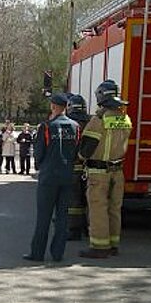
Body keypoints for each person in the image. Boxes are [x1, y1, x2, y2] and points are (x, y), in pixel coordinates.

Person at [79, 80, 132, 259]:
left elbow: (86, 149)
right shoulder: (125, 118)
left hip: (99, 173)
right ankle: (113, 244)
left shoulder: (99, 119)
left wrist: (79, 158)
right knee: (114, 208)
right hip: (118, 171)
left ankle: (99, 247)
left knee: (98, 208)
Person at [23, 93, 79, 262]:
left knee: (44, 216)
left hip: (49, 176)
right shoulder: (75, 126)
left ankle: (37, 253)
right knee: (62, 216)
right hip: (67, 175)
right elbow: (76, 150)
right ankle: (58, 253)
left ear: (53, 107)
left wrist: (40, 166)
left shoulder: (46, 127)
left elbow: (39, 152)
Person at [66, 94, 92, 241]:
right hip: (92, 168)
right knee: (90, 201)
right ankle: (89, 229)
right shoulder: (92, 121)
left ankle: (74, 230)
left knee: (74, 201)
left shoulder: (68, 123)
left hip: (74, 167)